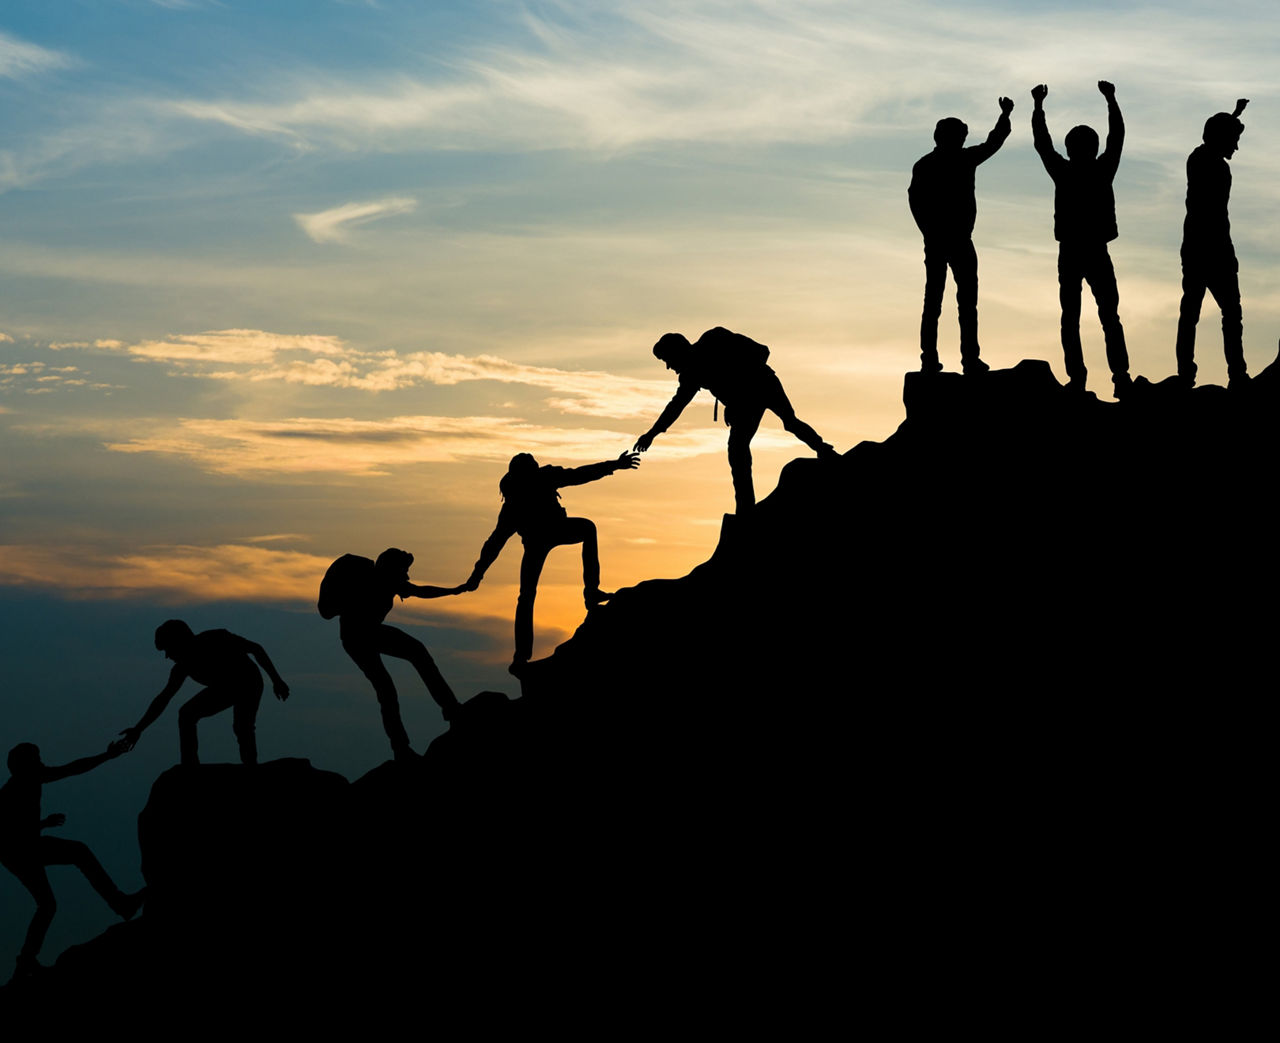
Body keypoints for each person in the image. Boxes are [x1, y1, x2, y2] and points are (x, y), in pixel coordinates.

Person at [466, 452, 640, 671]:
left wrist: (614, 465)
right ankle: (521, 655)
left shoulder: (540, 480)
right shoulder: (516, 500)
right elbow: (494, 543)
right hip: (538, 540)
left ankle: (591, 592)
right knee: (526, 595)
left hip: (552, 532)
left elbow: (580, 475)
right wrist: (476, 576)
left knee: (586, 530)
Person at [633, 327, 837, 513]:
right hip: (743, 404)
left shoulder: (713, 339)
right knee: (737, 449)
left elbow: (762, 351)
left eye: (668, 359)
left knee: (789, 422)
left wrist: (737, 396)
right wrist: (651, 434)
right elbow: (675, 407)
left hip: (763, 385)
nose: (669, 366)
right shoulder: (691, 375)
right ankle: (745, 507)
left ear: (678, 351)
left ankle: (824, 450)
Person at [1, 740, 143, 981]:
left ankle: (24, 962)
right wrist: (106, 756)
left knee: (47, 905)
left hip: (16, 852)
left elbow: (14, 827)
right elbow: (72, 768)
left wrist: (42, 824)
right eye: (36, 758)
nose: (42, 762)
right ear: (25, 764)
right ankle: (120, 903)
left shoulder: (23, 783)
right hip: (19, 851)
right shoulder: (21, 784)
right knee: (79, 853)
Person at [1031, 81, 1133, 397]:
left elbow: (1043, 143)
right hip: (1091, 250)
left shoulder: (1065, 171)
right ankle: (1117, 378)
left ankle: (1082, 379)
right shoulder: (1102, 169)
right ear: (1090, 147)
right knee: (1107, 317)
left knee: (1074, 318)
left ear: (1072, 148)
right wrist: (1111, 100)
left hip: (1075, 250)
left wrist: (1038, 107)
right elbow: (1117, 136)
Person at [326, 548, 466, 760]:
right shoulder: (375, 579)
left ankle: (446, 713)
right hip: (359, 637)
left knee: (397, 675)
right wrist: (456, 590)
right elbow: (420, 590)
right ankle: (409, 742)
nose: (407, 575)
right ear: (391, 567)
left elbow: (421, 591)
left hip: (364, 634)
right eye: (404, 569)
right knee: (389, 684)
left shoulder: (390, 580)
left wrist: (455, 591)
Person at [909, 96, 1014, 375]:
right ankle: (933, 360)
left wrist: (1004, 117)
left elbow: (993, 143)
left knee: (959, 302)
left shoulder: (955, 160)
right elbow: (915, 200)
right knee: (939, 302)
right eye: (957, 136)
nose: (960, 140)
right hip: (944, 240)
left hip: (955, 240)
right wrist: (929, 230)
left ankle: (964, 359)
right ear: (943, 137)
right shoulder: (934, 164)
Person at [119, 620, 290, 766]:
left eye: (168, 649)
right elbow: (163, 698)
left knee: (242, 727)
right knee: (186, 714)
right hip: (225, 688)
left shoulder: (216, 638)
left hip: (248, 681)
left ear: (179, 642)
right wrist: (138, 729)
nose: (167, 656)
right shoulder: (181, 668)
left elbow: (255, 649)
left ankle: (250, 768)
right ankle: (190, 766)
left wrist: (277, 680)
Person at [1175, 99, 1250, 389]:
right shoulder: (1206, 163)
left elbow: (1218, 134)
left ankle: (1217, 373)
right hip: (1208, 249)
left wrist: (1235, 115)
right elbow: (1216, 215)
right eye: (1234, 141)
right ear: (1221, 138)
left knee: (1213, 312)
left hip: (1206, 248)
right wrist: (1233, 116)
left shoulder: (1203, 159)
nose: (1236, 148)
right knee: (1215, 312)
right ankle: (1229, 374)